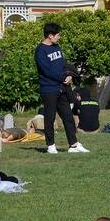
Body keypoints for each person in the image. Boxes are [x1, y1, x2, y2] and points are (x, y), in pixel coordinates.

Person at [35, 22, 88, 155]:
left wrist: (69, 75)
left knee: (68, 116)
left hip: (62, 88)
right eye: (58, 35)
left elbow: (63, 64)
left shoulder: (56, 47)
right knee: (50, 118)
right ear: (50, 35)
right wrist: (62, 78)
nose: (59, 37)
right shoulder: (40, 51)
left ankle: (73, 145)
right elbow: (46, 70)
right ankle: (51, 145)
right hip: (49, 89)